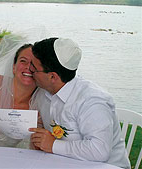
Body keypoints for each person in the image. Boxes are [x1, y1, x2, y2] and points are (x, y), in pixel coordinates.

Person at [28, 38, 130, 169]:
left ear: (53, 77)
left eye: (34, 68)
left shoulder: (92, 101)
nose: (30, 70)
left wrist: (53, 145)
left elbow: (99, 151)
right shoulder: (44, 91)